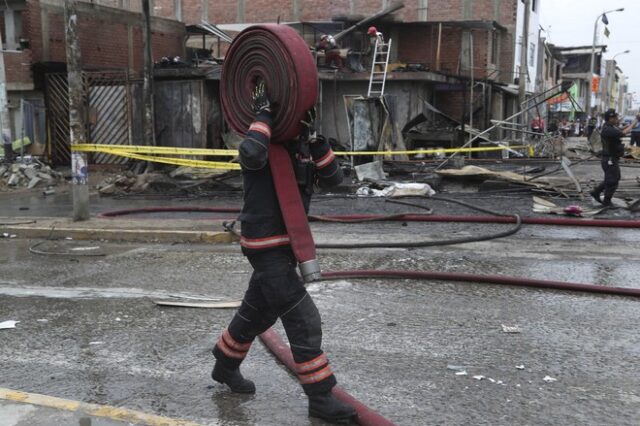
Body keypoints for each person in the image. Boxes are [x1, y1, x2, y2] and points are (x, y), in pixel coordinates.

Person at [210, 81, 356, 424]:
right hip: (265, 247)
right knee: (304, 319)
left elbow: (336, 180)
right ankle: (320, 398)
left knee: (257, 313)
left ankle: (224, 364)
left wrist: (317, 138)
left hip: (286, 246)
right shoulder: (262, 140)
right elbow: (250, 155)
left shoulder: (300, 145)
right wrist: (263, 114)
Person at [590, 109, 637, 206]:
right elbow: (622, 133)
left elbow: (621, 129)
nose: (617, 119)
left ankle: (596, 192)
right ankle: (606, 201)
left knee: (613, 178)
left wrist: (633, 122)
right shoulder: (608, 129)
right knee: (612, 180)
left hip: (611, 159)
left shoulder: (611, 127)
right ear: (610, 119)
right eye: (615, 118)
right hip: (609, 159)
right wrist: (635, 121)